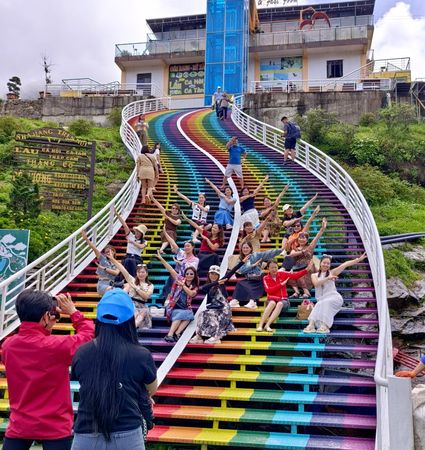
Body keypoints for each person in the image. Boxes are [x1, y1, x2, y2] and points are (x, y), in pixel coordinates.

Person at [2, 290, 94, 450]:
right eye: (54, 316)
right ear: (45, 317)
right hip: (55, 426)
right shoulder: (57, 346)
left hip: (20, 424)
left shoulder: (8, 346)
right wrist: (73, 312)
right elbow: (89, 335)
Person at [71, 289, 157, 450]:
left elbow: (80, 380)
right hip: (128, 433)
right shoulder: (141, 355)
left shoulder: (82, 352)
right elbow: (151, 389)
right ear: (129, 320)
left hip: (86, 433)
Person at [303, 252, 367, 333]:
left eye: (328, 263)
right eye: (324, 263)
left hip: (335, 298)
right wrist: (328, 278)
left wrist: (359, 259)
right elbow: (316, 284)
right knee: (320, 303)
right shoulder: (314, 275)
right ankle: (311, 325)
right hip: (322, 300)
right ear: (320, 263)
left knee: (325, 302)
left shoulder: (332, 272)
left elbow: (345, 264)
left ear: (330, 265)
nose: (326, 265)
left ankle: (325, 326)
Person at [190, 260, 247, 344]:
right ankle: (199, 336)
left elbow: (232, 271)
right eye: (211, 273)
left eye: (215, 274)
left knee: (211, 314)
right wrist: (216, 282)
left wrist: (242, 262)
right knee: (201, 314)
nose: (213, 275)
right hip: (214, 308)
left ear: (218, 275)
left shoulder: (222, 282)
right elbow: (203, 288)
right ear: (208, 275)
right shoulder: (208, 285)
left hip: (224, 309)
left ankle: (216, 336)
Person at [229, 239, 288, 309]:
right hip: (250, 278)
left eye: (247, 248)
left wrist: (280, 250)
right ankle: (235, 301)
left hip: (258, 278)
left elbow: (267, 253)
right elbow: (241, 270)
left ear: (251, 248)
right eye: (243, 248)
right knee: (240, 283)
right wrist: (253, 266)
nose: (245, 249)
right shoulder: (240, 259)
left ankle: (253, 301)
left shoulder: (256, 255)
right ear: (241, 249)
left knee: (250, 287)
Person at [258, 259, 314, 332]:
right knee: (272, 303)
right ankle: (260, 325)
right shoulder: (265, 278)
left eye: (275, 267)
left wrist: (306, 270)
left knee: (280, 303)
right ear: (268, 268)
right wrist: (281, 284)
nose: (274, 269)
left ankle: (267, 325)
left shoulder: (282, 273)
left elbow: (295, 276)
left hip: (283, 300)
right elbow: (268, 290)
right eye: (272, 267)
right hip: (272, 300)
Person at [156, 252, 199, 343]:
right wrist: (161, 259)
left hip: (185, 307)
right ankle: (170, 334)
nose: (189, 276)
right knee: (180, 314)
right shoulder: (180, 279)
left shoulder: (195, 286)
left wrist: (183, 286)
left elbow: (191, 294)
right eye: (187, 274)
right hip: (173, 306)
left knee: (189, 314)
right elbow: (170, 269)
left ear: (194, 275)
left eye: (191, 274)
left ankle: (177, 333)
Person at [109, 256, 153, 330]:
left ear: (146, 274)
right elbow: (123, 270)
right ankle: (129, 330)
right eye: (139, 272)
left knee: (143, 312)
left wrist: (136, 288)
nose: (141, 274)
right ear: (136, 273)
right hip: (131, 304)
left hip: (142, 306)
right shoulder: (132, 280)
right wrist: (112, 259)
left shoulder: (150, 285)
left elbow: (146, 296)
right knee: (134, 312)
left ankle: (130, 330)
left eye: (143, 272)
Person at [288, 218, 327, 298]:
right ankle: (297, 292)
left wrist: (322, 228)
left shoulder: (309, 247)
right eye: (300, 238)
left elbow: (317, 237)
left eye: (303, 238)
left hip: (308, 268)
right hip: (297, 267)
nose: (301, 239)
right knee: (290, 274)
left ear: (306, 239)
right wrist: (302, 252)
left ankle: (306, 292)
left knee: (299, 273)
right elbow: (291, 255)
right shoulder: (295, 248)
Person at [157, 228, 199, 302]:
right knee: (167, 293)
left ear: (192, 247)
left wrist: (180, 262)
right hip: (175, 276)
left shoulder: (195, 259)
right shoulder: (182, 253)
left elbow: (191, 269)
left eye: (188, 246)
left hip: (185, 279)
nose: (186, 248)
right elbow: (172, 242)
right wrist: (165, 233)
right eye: (185, 246)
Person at [80, 230, 119, 295]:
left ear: (114, 252)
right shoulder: (103, 259)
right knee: (112, 290)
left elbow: (116, 273)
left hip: (112, 283)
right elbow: (94, 249)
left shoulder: (117, 263)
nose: (109, 253)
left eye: (110, 251)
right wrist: (86, 239)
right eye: (107, 252)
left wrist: (104, 268)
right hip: (103, 284)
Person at [114, 208, 148, 277]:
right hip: (128, 256)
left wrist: (132, 242)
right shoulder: (130, 236)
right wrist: (117, 214)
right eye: (137, 231)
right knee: (127, 261)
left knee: (132, 262)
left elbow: (141, 246)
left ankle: (133, 279)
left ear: (142, 234)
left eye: (139, 232)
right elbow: (124, 224)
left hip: (137, 258)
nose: (137, 233)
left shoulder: (144, 241)